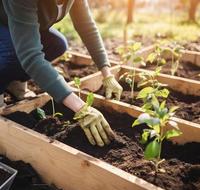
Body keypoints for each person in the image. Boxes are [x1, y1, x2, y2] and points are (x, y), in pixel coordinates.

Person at [0, 0, 123, 147]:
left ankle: (15, 85)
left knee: (57, 44)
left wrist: (107, 74)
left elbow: (87, 27)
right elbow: (31, 56)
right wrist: (80, 108)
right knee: (13, 52)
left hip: (18, 25)